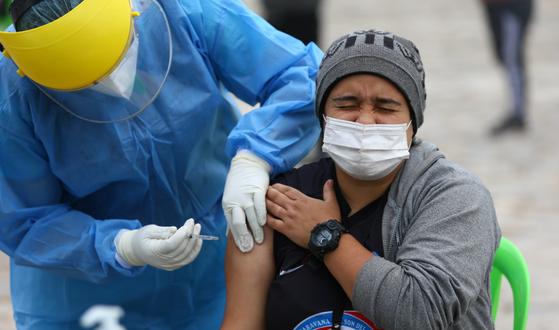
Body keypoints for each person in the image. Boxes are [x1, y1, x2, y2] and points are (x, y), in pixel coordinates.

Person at [0, 0, 322, 328]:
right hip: (80, 294)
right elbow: (21, 219)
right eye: (84, 83)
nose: (111, 83)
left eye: (116, 55)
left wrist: (254, 158)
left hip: (211, 273)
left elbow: (302, 76)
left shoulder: (182, 10)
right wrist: (121, 245)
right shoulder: (12, 88)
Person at [221, 30, 501, 329]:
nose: (365, 121)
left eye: (385, 107)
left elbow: (421, 315)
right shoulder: (281, 199)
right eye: (346, 104)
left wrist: (325, 236)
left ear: (412, 123)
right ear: (323, 116)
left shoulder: (456, 198)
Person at [481, 0, 534, 136]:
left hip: (513, 7)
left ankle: (518, 113)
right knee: (505, 57)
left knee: (512, 57)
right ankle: (517, 110)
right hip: (493, 8)